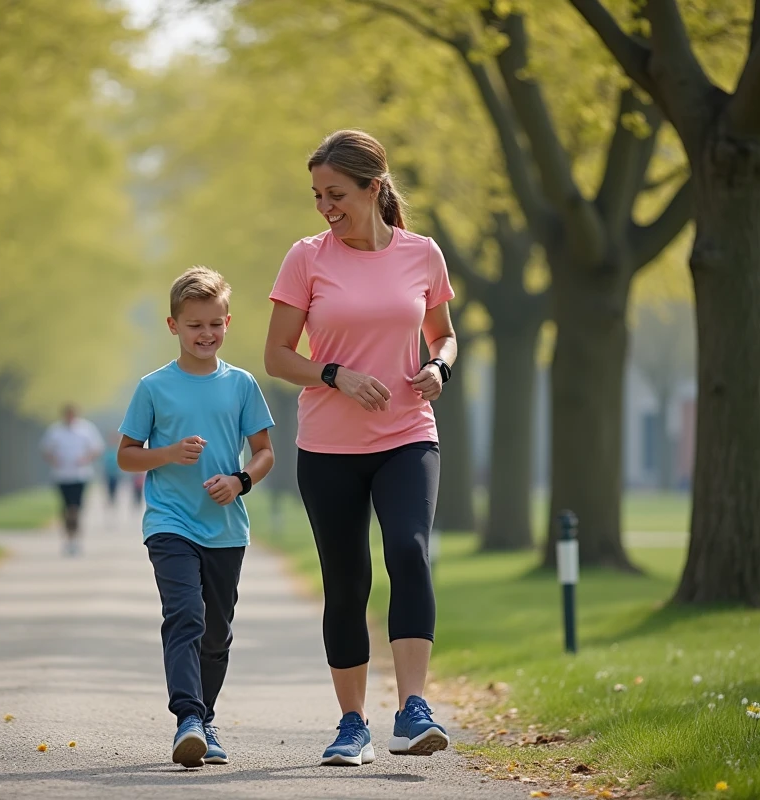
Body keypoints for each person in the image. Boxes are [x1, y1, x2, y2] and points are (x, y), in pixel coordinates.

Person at [264, 130, 458, 766]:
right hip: (328, 445)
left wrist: (440, 368)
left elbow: (445, 336)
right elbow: (277, 356)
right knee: (346, 581)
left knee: (410, 550)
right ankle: (352, 724)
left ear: (374, 187)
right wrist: (334, 374)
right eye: (318, 195)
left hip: (408, 434)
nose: (325, 206)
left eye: (337, 193)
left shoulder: (423, 254)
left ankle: (413, 709)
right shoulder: (306, 258)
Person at [117, 266, 275, 768]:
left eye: (215, 324)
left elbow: (265, 452)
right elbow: (126, 455)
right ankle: (187, 718)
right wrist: (166, 454)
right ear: (173, 326)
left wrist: (240, 481)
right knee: (185, 615)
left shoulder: (243, 384)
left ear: (228, 322)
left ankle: (205, 720)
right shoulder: (153, 387)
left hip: (227, 528)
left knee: (216, 631)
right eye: (194, 325)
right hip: (170, 523)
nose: (205, 334)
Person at [40, 404, 104, 556]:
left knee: (75, 508)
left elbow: (97, 448)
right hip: (61, 475)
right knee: (65, 508)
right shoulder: (55, 431)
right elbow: (45, 449)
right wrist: (54, 459)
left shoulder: (86, 429)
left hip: (80, 475)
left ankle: (75, 539)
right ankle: (68, 537)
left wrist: (86, 458)